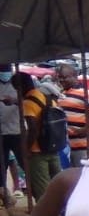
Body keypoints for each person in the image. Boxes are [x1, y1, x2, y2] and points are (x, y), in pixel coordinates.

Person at [15, 71, 63, 206]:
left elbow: (33, 128)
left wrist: (26, 148)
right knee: (57, 183)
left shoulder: (28, 103)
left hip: (37, 151)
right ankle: (61, 211)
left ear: (21, 87)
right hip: (53, 146)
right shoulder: (47, 96)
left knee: (42, 188)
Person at [56, 62, 89, 168]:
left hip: (83, 147)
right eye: (59, 78)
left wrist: (82, 131)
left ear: (74, 76)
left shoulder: (87, 94)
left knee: (84, 177)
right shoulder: (61, 94)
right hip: (66, 147)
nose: (61, 80)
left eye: (64, 77)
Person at [0, 65, 21, 205]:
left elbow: (28, 100)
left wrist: (14, 101)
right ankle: (5, 199)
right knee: (1, 167)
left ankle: (23, 189)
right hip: (1, 132)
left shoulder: (18, 83)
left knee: (25, 164)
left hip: (17, 131)